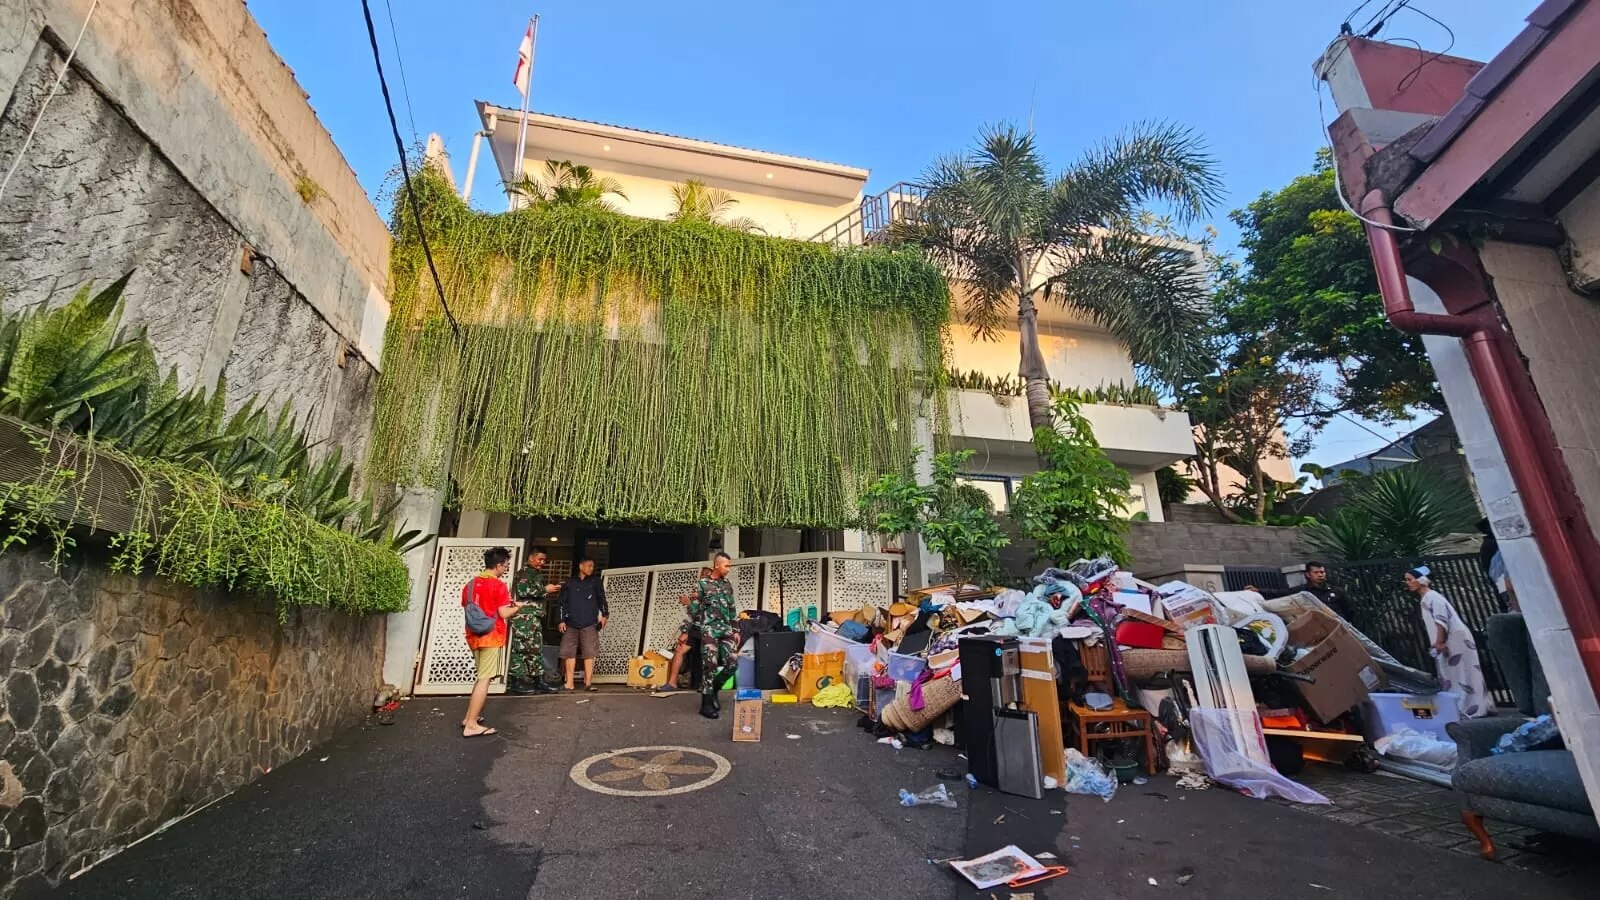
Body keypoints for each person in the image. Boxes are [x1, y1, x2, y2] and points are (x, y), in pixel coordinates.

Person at [1404, 565, 1490, 718]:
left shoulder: (1432, 597)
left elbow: (1440, 621)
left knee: (1459, 672)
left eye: (1410, 579)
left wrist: (1439, 642)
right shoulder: (1428, 598)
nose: (1408, 583)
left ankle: (1467, 708)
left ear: (1421, 580)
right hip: (1452, 637)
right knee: (1455, 672)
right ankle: (1469, 706)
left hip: (1453, 638)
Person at [461, 546, 528, 737]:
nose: (506, 568)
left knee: (481, 675)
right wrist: (518, 607)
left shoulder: (471, 584)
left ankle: (469, 717)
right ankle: (472, 725)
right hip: (491, 635)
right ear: (498, 565)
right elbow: (504, 613)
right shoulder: (498, 585)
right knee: (485, 679)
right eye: (506, 565)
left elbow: (469, 607)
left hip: (473, 635)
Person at [690, 552, 738, 719]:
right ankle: (706, 704)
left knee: (732, 664)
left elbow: (732, 608)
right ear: (716, 565)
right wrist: (691, 605)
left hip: (726, 630)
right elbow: (695, 609)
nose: (728, 569)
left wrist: (735, 629)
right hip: (709, 630)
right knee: (709, 666)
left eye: (729, 566)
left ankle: (715, 689)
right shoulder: (703, 584)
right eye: (726, 566)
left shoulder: (727, 584)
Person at [652, 567, 714, 697]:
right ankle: (672, 682)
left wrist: (690, 603)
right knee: (680, 650)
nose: (703, 578)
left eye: (706, 576)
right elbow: (691, 615)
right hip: (694, 628)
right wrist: (685, 630)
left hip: (707, 628)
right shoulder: (697, 592)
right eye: (702, 575)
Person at [509, 550, 560, 695]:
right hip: (524, 616)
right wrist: (545, 589)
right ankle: (517, 680)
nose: (542, 563)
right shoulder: (525, 572)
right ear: (530, 558)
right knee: (522, 647)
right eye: (539, 559)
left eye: (544, 560)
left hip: (533, 616)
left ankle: (538, 679)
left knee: (534, 648)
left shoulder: (534, 573)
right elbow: (523, 591)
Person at [557, 558, 608, 692]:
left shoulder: (595, 582)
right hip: (570, 622)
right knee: (569, 653)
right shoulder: (570, 582)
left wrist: (604, 615)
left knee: (589, 652)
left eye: (593, 566)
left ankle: (588, 682)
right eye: (589, 565)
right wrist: (561, 619)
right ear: (581, 566)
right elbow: (562, 602)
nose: (591, 568)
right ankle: (569, 683)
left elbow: (602, 598)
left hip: (589, 621)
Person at [1249, 560, 1350, 620]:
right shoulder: (1302, 592)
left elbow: (1348, 610)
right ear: (1308, 574)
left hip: (1339, 625)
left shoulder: (1336, 591)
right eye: (1316, 572)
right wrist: (1259, 590)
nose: (1320, 575)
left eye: (1322, 572)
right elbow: (1281, 593)